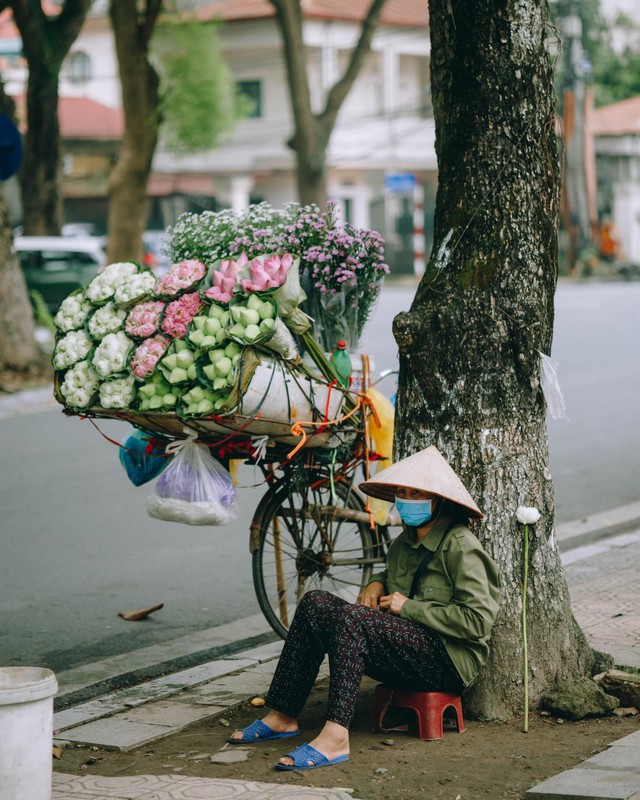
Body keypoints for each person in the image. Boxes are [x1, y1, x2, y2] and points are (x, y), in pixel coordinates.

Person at [228, 445, 501, 771]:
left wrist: (410, 608)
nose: (407, 498)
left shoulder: (460, 545)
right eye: (402, 491)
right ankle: (283, 715)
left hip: (447, 662)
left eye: (417, 492)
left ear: (437, 500)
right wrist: (375, 583)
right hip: (405, 649)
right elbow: (391, 574)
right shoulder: (403, 542)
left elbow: (478, 621)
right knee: (316, 603)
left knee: (356, 619)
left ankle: (335, 736)